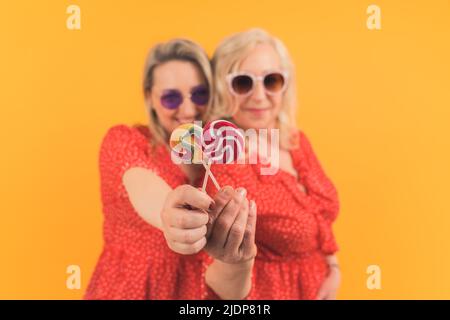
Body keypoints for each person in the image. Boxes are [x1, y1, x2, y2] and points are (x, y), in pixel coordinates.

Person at [85, 39, 256, 299]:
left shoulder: (222, 156)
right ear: (149, 98)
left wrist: (239, 260)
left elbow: (230, 289)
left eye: (200, 94)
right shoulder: (126, 141)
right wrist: (170, 211)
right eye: (171, 97)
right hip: (129, 290)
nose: (188, 109)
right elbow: (145, 188)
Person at [206, 28, 341, 299]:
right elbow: (216, 260)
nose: (259, 96)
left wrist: (333, 267)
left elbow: (320, 218)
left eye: (272, 80)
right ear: (222, 87)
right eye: (243, 83)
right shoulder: (223, 157)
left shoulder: (295, 140)